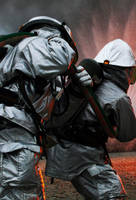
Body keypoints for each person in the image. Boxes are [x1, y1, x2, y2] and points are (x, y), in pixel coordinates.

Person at [45, 39, 136, 199]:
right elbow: (127, 135)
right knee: (112, 194)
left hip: (63, 150)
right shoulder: (119, 98)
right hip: (84, 157)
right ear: (124, 71)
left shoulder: (87, 84)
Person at [0, 16, 78, 199]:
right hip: (13, 144)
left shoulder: (20, 55)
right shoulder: (34, 43)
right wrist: (58, 40)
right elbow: (61, 57)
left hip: (13, 140)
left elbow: (55, 111)